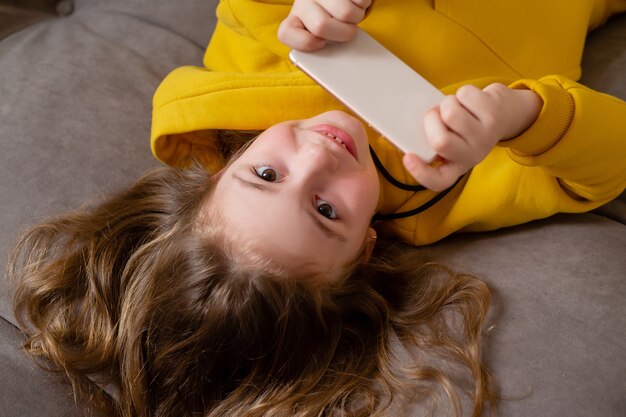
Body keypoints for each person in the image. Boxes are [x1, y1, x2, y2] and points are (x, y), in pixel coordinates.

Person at [10, 0, 626, 416]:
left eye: (266, 174)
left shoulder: (243, 85)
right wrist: (521, 118)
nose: (317, 159)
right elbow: (605, 163)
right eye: (327, 211)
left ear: (218, 170)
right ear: (365, 247)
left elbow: (247, 13)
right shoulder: (444, 191)